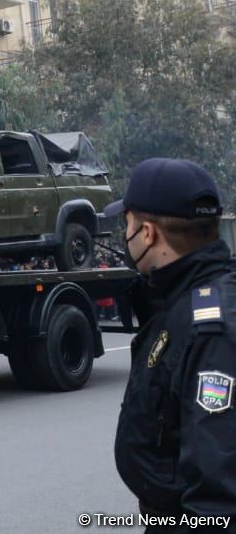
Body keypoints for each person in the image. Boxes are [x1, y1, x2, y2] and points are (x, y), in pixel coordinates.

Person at [106, 158, 236, 518]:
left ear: (147, 233)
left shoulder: (210, 330)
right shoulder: (180, 303)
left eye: (127, 223)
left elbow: (219, 494)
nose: (125, 234)